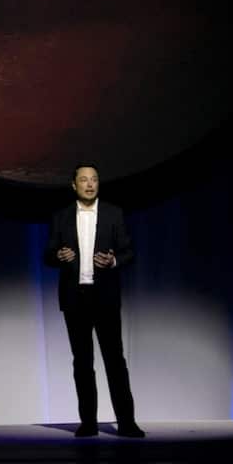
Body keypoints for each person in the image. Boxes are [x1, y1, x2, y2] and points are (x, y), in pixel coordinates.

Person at [44, 164, 145, 438]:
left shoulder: (114, 213)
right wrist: (58, 257)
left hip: (105, 298)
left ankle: (126, 422)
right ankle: (88, 422)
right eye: (84, 180)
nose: (90, 184)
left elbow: (128, 252)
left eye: (94, 179)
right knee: (82, 362)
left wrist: (113, 261)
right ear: (73, 185)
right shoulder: (61, 216)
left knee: (115, 360)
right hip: (74, 298)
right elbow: (48, 254)